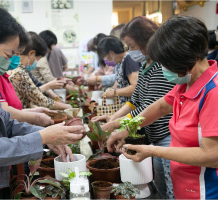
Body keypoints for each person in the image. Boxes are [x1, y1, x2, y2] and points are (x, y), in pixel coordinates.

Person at [0, 6, 84, 199]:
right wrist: (42, 138)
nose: (9, 64)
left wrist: (48, 136)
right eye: (8, 55)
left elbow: (5, 124)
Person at [110, 16, 218, 199]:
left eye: (166, 64)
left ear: (185, 59)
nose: (164, 69)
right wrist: (126, 127)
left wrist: (152, 151)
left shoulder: (213, 92)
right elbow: (160, 107)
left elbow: (212, 155)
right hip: (184, 186)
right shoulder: (187, 83)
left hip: (204, 192)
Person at [93, 16, 175, 198]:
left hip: (167, 135)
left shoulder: (162, 67)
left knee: (170, 189)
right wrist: (114, 119)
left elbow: (150, 107)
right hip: (155, 136)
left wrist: (118, 126)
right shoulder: (146, 66)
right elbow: (134, 101)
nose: (129, 51)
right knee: (161, 185)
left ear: (147, 41)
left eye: (131, 46)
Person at [8, 34, 71, 110]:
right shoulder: (19, 72)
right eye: (38, 59)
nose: (37, 62)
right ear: (31, 54)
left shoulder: (21, 70)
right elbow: (40, 99)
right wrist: (68, 107)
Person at [97, 36, 140, 104]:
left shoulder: (129, 60)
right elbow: (118, 82)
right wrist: (110, 91)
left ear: (111, 53)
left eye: (104, 56)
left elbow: (136, 88)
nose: (105, 60)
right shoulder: (120, 63)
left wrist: (114, 92)